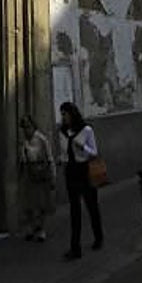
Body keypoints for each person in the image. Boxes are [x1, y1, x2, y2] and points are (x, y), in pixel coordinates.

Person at [58, 101, 103, 259]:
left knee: (91, 205)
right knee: (74, 210)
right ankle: (75, 247)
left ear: (72, 114)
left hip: (85, 170)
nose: (63, 117)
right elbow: (63, 152)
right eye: (62, 114)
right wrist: (61, 160)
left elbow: (94, 152)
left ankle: (98, 237)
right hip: (71, 172)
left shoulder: (86, 130)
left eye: (65, 114)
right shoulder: (62, 132)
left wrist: (83, 148)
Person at [18, 114, 55, 242]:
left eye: (28, 127)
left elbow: (50, 158)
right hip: (28, 173)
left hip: (40, 172)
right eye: (24, 127)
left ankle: (41, 230)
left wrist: (52, 176)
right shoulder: (24, 141)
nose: (26, 130)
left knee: (40, 203)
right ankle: (30, 228)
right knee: (28, 204)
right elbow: (22, 158)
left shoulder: (41, 139)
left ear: (33, 126)